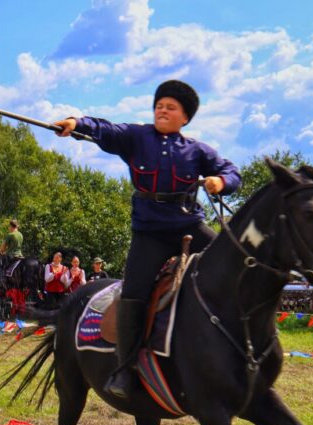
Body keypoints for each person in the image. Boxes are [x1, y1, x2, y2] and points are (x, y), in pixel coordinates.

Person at [54, 79, 241, 399]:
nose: (162, 110)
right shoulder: (137, 137)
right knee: (134, 294)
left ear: (185, 117)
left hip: (189, 226)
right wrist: (76, 123)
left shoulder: (198, 150)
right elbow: (105, 129)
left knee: (234, 267)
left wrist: (220, 181)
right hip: (149, 233)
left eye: (171, 107)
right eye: (159, 106)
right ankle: (125, 369)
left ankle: (239, 349)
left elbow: (232, 171)